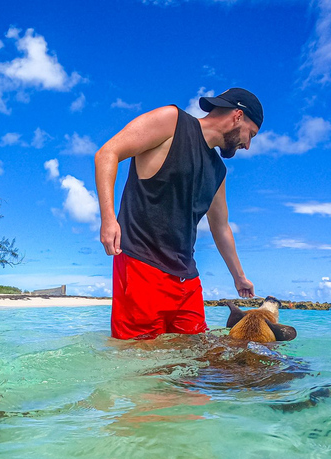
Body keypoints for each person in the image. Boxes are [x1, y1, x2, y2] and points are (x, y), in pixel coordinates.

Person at [95, 88, 263, 340]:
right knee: (138, 364)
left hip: (187, 280)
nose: (248, 145)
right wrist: (108, 219)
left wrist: (239, 277)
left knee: (194, 360)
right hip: (141, 264)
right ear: (238, 116)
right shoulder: (171, 121)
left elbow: (221, 227)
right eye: (251, 134)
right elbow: (107, 153)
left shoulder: (218, 171)